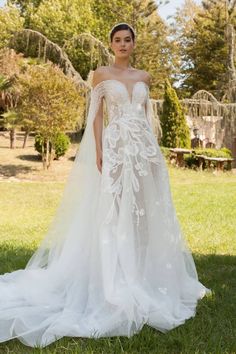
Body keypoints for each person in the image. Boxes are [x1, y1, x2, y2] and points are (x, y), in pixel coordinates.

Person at [0, 22, 211, 348]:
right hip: (115, 150)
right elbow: (96, 115)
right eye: (118, 40)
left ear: (134, 44)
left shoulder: (144, 78)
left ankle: (143, 272)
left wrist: (155, 154)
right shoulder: (100, 74)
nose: (123, 44)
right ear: (111, 44)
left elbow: (146, 117)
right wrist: (99, 150)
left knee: (144, 214)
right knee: (112, 210)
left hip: (143, 152)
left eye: (128, 40)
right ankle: (112, 274)